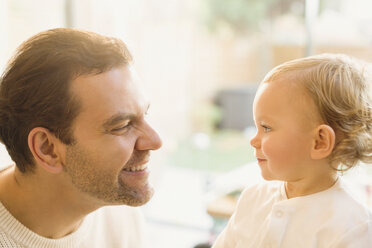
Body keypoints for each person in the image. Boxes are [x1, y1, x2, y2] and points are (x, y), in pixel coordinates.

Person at [0, 28, 162, 247]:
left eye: (145, 114)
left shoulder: (116, 213)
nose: (155, 140)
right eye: (123, 126)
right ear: (47, 149)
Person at [212, 54, 372, 248]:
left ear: (319, 142)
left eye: (266, 128)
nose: (254, 140)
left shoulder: (354, 227)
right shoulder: (254, 196)